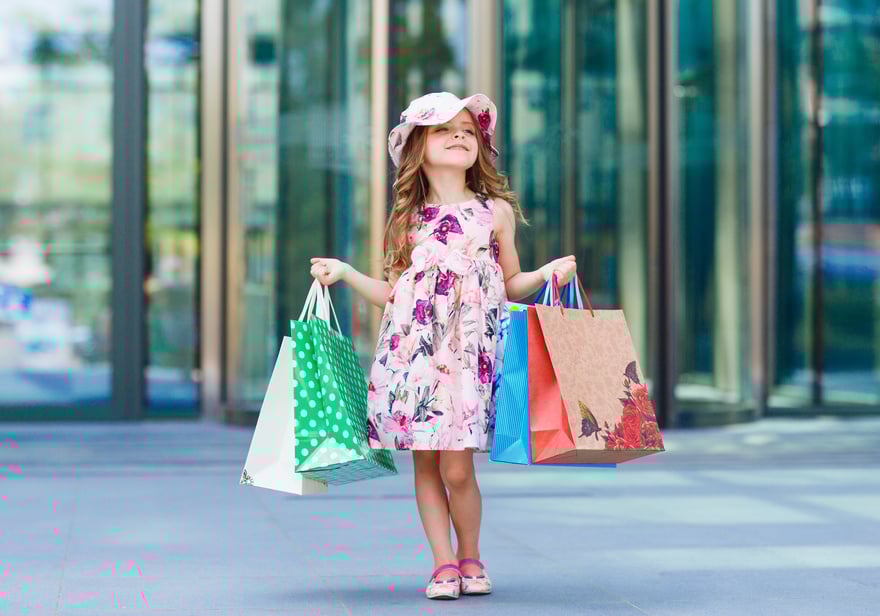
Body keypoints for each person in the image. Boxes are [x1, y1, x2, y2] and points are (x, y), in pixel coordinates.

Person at [310, 91, 576, 600]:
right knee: (426, 462)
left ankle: (471, 553)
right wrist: (345, 274)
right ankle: (443, 563)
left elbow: (511, 283)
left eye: (468, 131)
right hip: (413, 356)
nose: (459, 136)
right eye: (444, 129)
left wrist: (546, 274)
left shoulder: (494, 212)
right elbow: (393, 293)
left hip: (469, 357)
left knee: (457, 466)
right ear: (418, 146)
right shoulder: (406, 218)